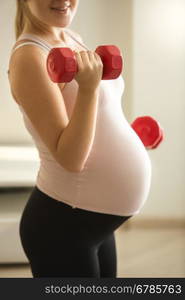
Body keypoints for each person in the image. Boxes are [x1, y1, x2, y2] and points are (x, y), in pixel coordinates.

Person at [8, 0, 152, 278]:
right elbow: (69, 158)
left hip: (95, 223)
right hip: (63, 225)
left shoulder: (72, 38)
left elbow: (93, 120)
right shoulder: (30, 57)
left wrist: (128, 138)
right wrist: (89, 90)